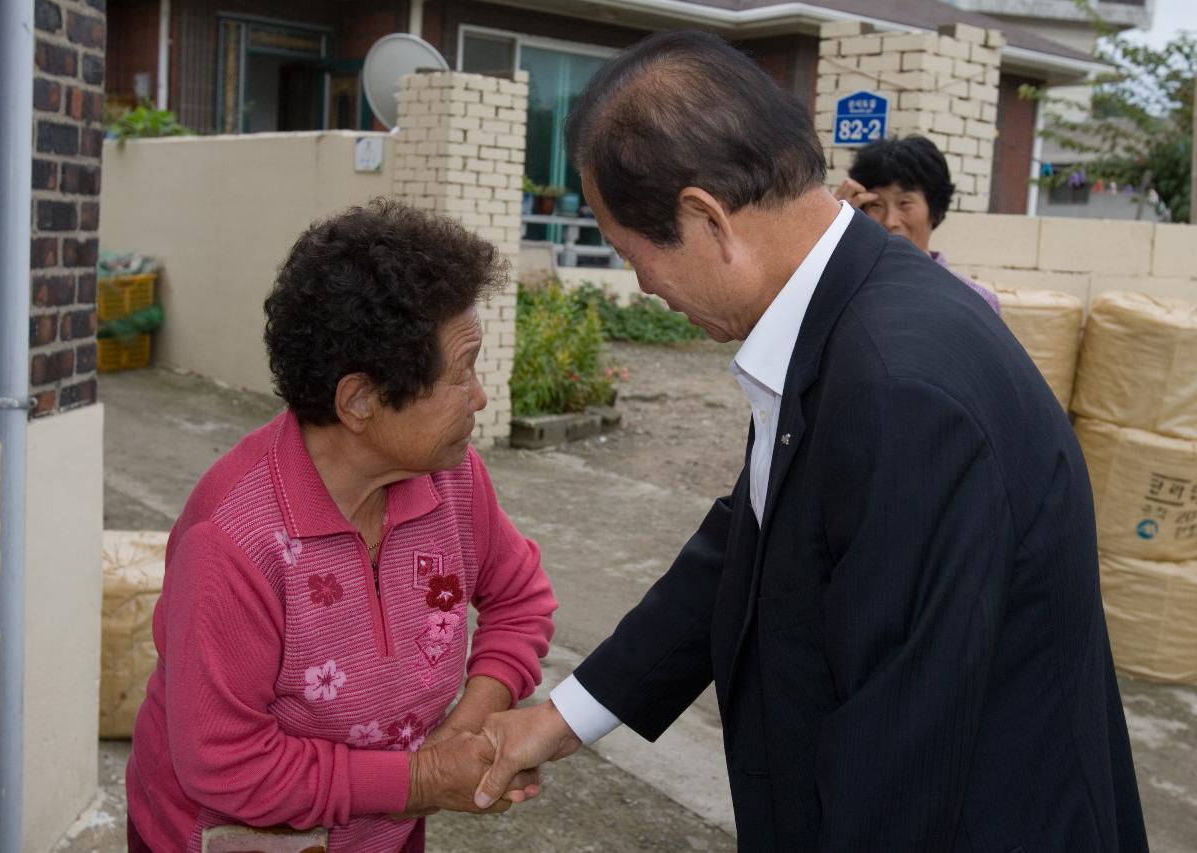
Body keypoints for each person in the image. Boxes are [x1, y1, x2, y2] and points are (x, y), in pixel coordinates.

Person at [472, 31, 1148, 851]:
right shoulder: (849, 316)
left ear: (706, 218)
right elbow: (747, 543)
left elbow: (899, 762)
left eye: (630, 253)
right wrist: (560, 716)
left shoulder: (898, 390)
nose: (645, 288)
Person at [125, 200, 557, 852]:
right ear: (359, 400)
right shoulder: (235, 541)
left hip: (385, 834)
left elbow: (520, 599)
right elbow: (225, 763)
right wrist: (422, 778)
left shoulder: (452, 478)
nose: (480, 396)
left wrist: (464, 730)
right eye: (461, 371)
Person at [835, 134, 1001, 314]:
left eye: (904, 203)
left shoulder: (976, 302)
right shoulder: (841, 292)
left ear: (935, 209)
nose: (890, 222)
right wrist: (837, 227)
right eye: (876, 205)